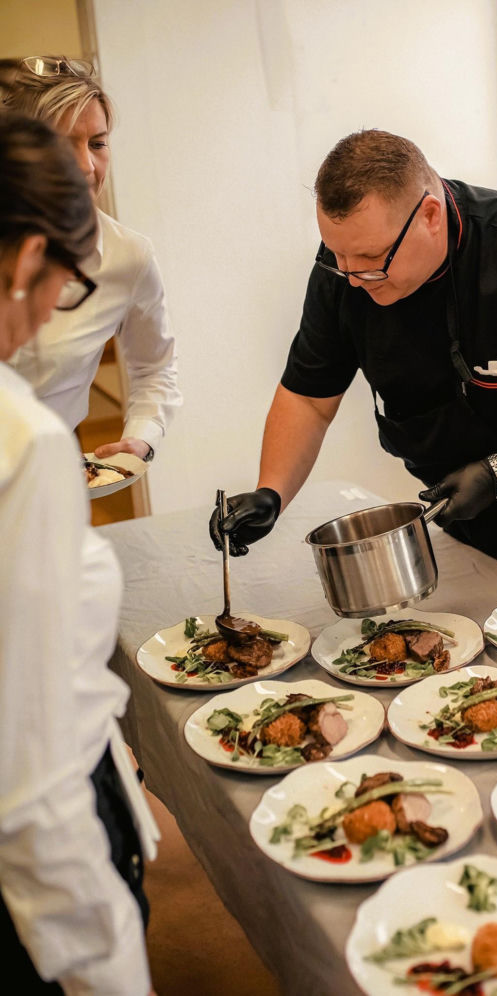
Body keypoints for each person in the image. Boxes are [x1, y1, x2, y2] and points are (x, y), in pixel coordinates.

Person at [210, 128, 497, 600]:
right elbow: (309, 398)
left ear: (430, 215)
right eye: (339, 257)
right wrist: (271, 492)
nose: (354, 279)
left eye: (371, 259)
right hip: (468, 517)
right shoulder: (345, 271)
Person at [0, 112, 159, 993]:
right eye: (62, 288)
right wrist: (108, 963)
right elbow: (28, 774)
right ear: (30, 263)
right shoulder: (21, 442)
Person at [3, 55, 181, 462]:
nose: (86, 166)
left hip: (48, 471)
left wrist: (141, 436)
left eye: (98, 144)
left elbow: (156, 367)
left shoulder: (127, 257)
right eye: (62, 145)